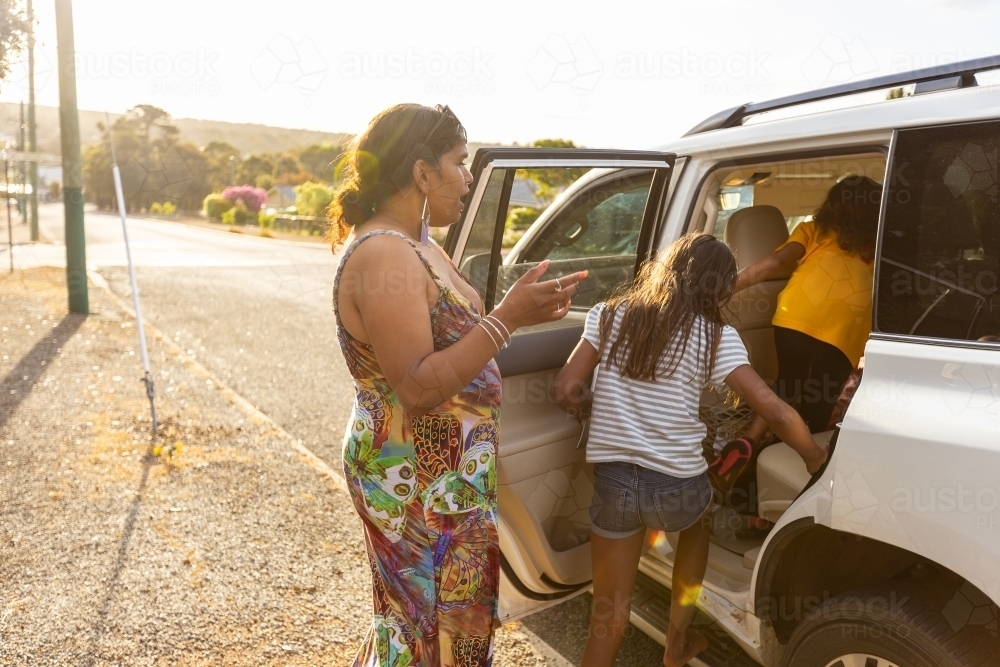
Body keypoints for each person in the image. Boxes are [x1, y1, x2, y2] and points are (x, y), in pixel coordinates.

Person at [330, 103, 587, 667]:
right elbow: (418, 386)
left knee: (450, 620)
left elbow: (453, 340)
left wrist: (524, 311)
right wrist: (507, 319)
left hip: (447, 473)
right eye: (460, 162)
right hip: (411, 473)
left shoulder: (419, 243)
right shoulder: (382, 255)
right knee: (425, 625)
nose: (469, 177)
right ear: (422, 173)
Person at [552, 234, 827, 667]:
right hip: (677, 489)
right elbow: (773, 411)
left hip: (613, 482)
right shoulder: (717, 336)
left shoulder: (609, 314)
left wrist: (587, 405)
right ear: (719, 288)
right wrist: (814, 457)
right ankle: (677, 640)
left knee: (609, 617)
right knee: (699, 518)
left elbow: (565, 387)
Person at [734, 176, 883, 434]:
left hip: (794, 317)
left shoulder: (812, 230)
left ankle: (750, 439)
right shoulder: (877, 242)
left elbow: (776, 263)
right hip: (842, 329)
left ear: (832, 205)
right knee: (821, 397)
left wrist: (725, 287)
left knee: (787, 384)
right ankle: (802, 452)